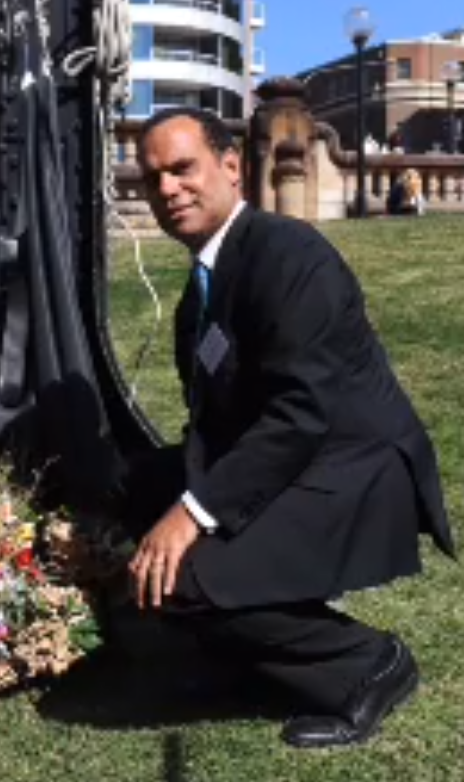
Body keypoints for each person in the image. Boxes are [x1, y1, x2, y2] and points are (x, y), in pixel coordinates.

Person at [122, 107, 455, 749]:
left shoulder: (290, 255)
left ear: (231, 167)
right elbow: (217, 422)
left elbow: (300, 414)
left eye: (183, 168)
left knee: (187, 580)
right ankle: (241, 655)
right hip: (287, 458)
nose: (167, 190)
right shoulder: (202, 289)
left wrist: (193, 514)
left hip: (352, 468)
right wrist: (162, 501)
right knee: (131, 490)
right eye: (153, 177)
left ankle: (367, 664)